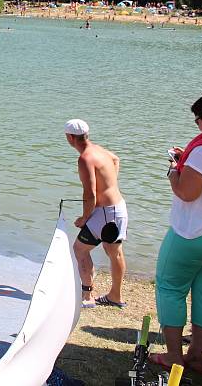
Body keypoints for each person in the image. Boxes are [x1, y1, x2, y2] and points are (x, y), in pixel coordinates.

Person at [152, 92, 202, 372]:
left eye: (198, 118)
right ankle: (198, 356)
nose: (197, 124)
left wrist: (174, 170)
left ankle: (174, 355)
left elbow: (187, 192)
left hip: (192, 232)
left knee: (169, 287)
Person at [65, 119, 128, 309]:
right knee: (114, 252)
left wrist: (84, 217)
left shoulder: (85, 158)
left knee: (80, 249)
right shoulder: (98, 149)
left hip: (106, 214)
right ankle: (115, 296)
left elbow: (90, 194)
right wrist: (109, 185)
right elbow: (116, 159)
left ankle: (87, 295)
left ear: (70, 138)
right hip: (119, 209)